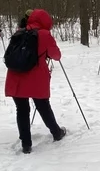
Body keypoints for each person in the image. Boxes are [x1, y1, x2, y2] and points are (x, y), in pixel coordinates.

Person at [5, 9, 67, 154]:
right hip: (35, 77)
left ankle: (26, 144)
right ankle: (56, 132)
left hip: (16, 76)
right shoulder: (44, 34)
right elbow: (56, 55)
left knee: (22, 110)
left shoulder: (18, 32)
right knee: (43, 106)